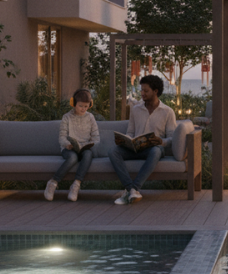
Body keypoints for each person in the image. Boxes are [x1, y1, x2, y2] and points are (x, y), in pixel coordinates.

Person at [108, 74, 176, 205]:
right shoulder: (135, 109)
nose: (142, 93)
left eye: (146, 91)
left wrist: (161, 142)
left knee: (156, 151)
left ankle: (133, 189)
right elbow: (130, 132)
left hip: (154, 149)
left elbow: (172, 138)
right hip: (136, 148)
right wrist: (126, 140)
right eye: (141, 90)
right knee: (113, 151)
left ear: (155, 91)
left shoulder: (167, 112)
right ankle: (131, 190)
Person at [45, 88, 100, 202]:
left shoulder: (90, 118)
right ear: (73, 103)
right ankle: (53, 183)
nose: (83, 109)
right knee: (73, 157)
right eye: (80, 106)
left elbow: (96, 138)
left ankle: (76, 185)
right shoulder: (67, 117)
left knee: (88, 154)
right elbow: (62, 137)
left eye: (86, 106)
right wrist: (67, 144)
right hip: (69, 148)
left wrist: (89, 144)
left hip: (84, 148)